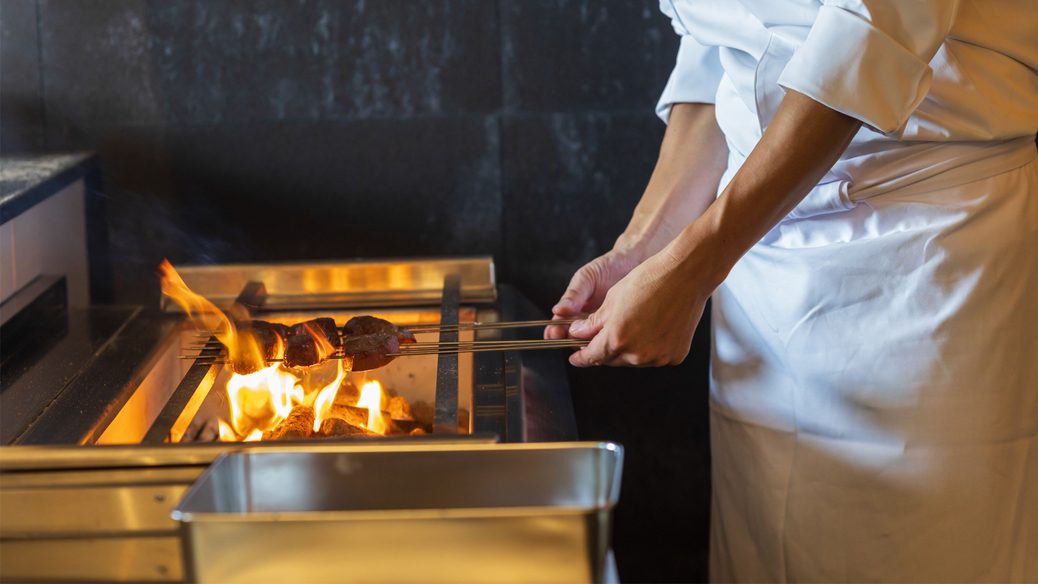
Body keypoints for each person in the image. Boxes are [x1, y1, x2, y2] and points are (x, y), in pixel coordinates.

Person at [546, 0, 1038, 581]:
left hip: (923, 257)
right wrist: (647, 244)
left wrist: (693, 266)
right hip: (752, 264)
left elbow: (872, 35)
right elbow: (722, 43)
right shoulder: (713, 249)